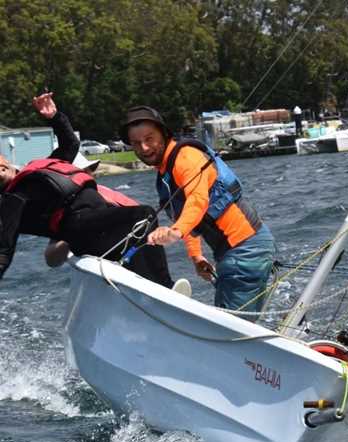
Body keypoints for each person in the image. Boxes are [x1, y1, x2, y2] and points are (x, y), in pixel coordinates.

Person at [0, 93, 174, 287]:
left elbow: (71, 143)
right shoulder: (13, 200)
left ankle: (152, 287)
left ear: (5, 160)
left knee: (142, 221)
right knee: (143, 215)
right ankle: (161, 288)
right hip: (81, 230)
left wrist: (55, 117)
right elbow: (4, 252)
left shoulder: (40, 170)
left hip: (100, 222)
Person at [120, 105, 276, 317]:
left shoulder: (187, 158)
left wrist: (175, 232)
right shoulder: (166, 173)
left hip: (246, 249)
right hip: (232, 252)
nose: (145, 148)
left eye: (150, 138)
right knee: (231, 325)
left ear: (164, 135)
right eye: (137, 143)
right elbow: (189, 218)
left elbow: (197, 200)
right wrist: (196, 257)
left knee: (230, 331)